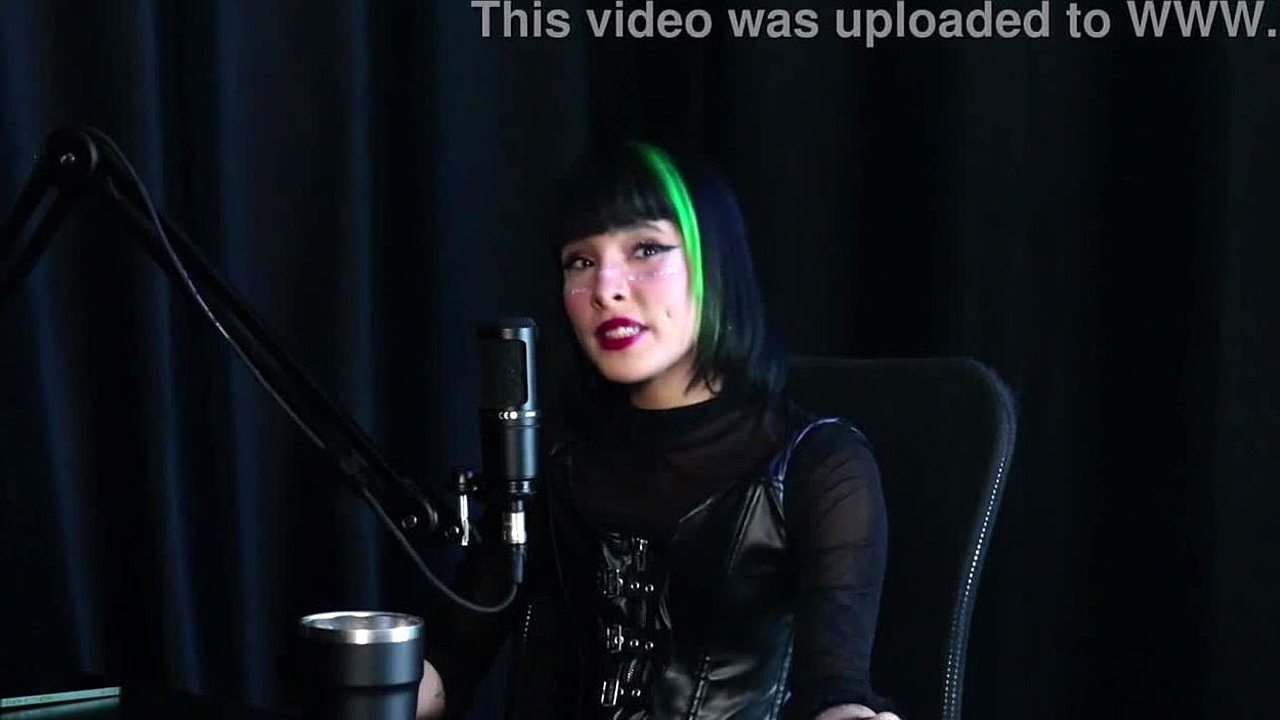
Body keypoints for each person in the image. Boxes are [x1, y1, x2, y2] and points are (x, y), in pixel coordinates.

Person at [416, 142, 898, 720]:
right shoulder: (549, 456)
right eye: (580, 261)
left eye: (645, 249)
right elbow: (451, 658)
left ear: (714, 264)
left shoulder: (819, 465)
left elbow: (836, 689)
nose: (605, 289)